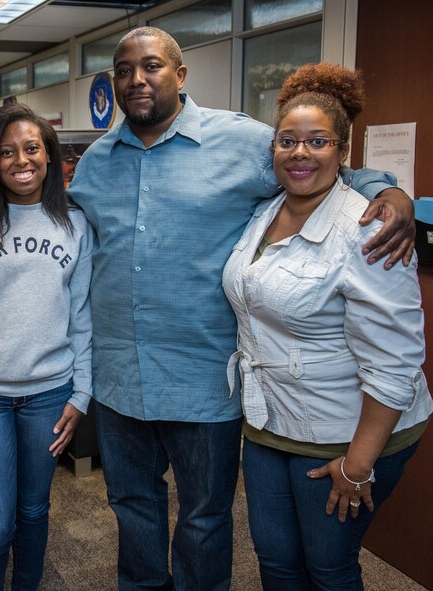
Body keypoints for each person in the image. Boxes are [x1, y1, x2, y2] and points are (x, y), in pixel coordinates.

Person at [67, 26, 416, 590]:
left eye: (152, 66)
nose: (137, 79)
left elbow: (319, 167)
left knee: (204, 520)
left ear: (180, 75)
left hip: (206, 379)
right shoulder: (95, 163)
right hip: (119, 378)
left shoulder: (241, 141)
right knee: (131, 507)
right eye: (124, 69)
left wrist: (391, 190)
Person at [222, 63, 432, 590]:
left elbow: (395, 362)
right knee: (275, 561)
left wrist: (358, 465)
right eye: (287, 141)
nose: (299, 153)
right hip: (271, 423)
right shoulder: (264, 211)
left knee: (329, 568)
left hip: (349, 433)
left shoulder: (369, 230)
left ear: (342, 151)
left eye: (317, 141)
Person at [0, 104, 93, 591]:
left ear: (49, 155)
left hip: (50, 393)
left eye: (31, 148)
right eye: (7, 152)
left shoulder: (75, 225)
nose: (21, 160)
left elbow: (82, 316)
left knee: (33, 511)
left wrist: (81, 393)